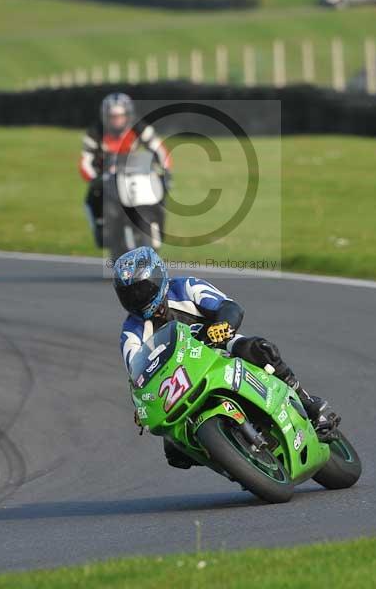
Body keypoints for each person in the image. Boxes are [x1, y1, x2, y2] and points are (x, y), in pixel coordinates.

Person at [114, 246, 340, 469]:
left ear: (158, 276)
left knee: (258, 348)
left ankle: (308, 403)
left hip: (218, 347)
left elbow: (229, 306)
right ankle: (230, 460)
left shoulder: (185, 287)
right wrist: (143, 404)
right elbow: (136, 374)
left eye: (142, 289)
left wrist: (223, 325)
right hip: (179, 381)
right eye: (129, 294)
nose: (137, 298)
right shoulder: (131, 332)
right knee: (175, 452)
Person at [79, 93, 171, 247]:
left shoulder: (139, 127)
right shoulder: (96, 131)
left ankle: (156, 227)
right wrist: (95, 178)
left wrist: (166, 171)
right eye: (113, 117)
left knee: (160, 191)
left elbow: (159, 149)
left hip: (135, 174)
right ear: (105, 117)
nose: (117, 120)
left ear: (128, 115)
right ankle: (100, 229)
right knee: (92, 198)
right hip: (107, 178)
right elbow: (85, 162)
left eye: (120, 116)